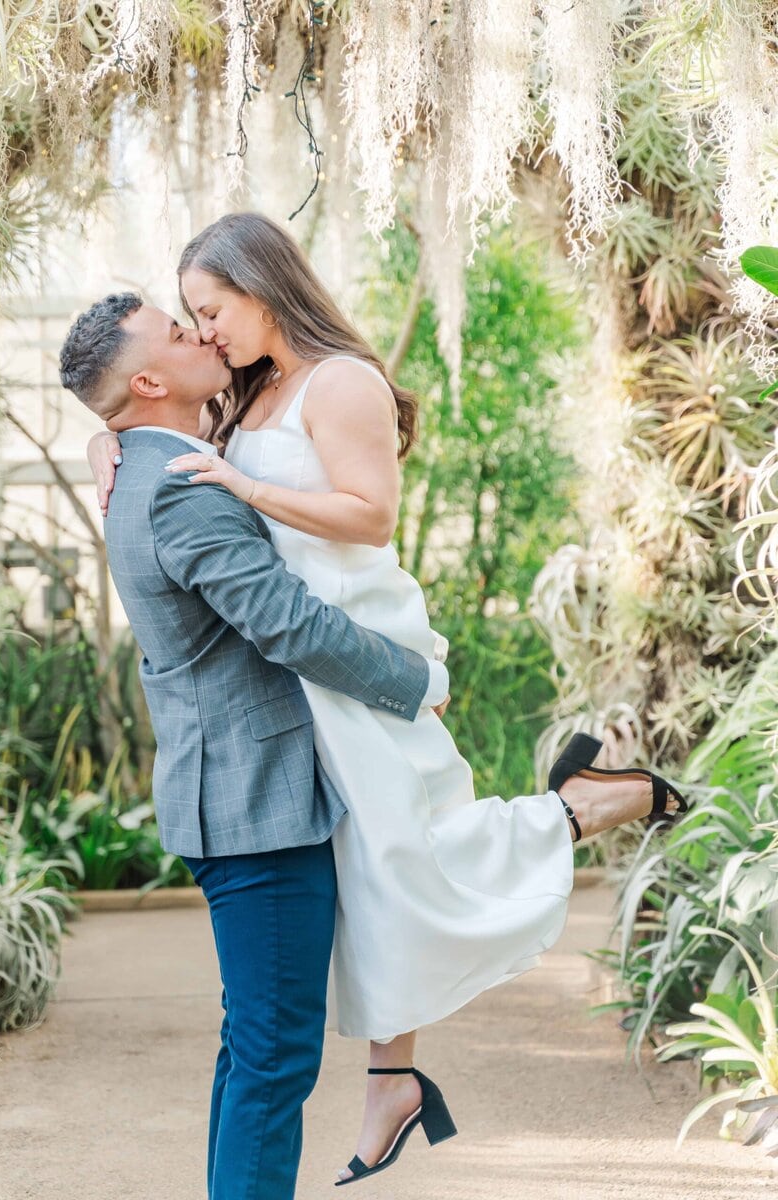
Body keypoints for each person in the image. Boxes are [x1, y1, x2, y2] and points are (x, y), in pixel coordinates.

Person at [85, 214, 685, 1191]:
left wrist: (403, 675)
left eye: (210, 310)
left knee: (413, 860)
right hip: (311, 680)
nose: (204, 332)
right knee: (379, 878)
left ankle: (584, 808)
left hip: (355, 647)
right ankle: (393, 1081)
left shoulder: (338, 382)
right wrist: (107, 439)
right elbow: (148, 416)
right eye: (188, 320)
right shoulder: (239, 395)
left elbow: (368, 518)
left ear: (262, 287)